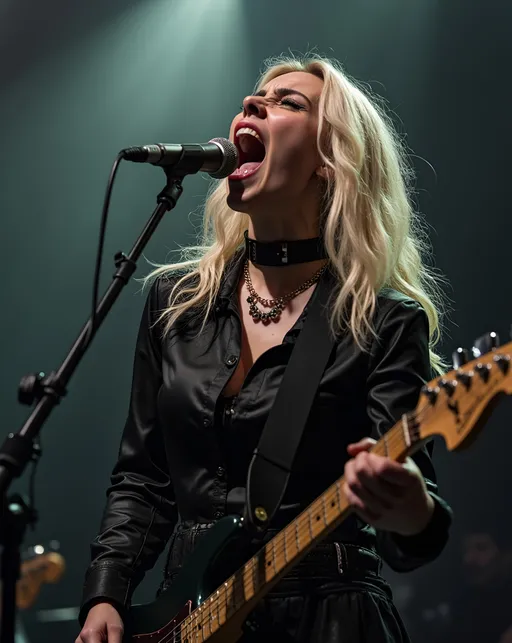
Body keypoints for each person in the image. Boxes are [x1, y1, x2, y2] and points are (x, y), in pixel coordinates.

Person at [76, 54, 452, 643]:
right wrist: (107, 594)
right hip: (193, 618)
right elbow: (144, 478)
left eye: (289, 103)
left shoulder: (382, 321)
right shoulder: (177, 305)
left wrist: (408, 507)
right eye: (256, 97)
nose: (253, 104)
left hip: (331, 618)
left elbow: (414, 527)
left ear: (331, 163)